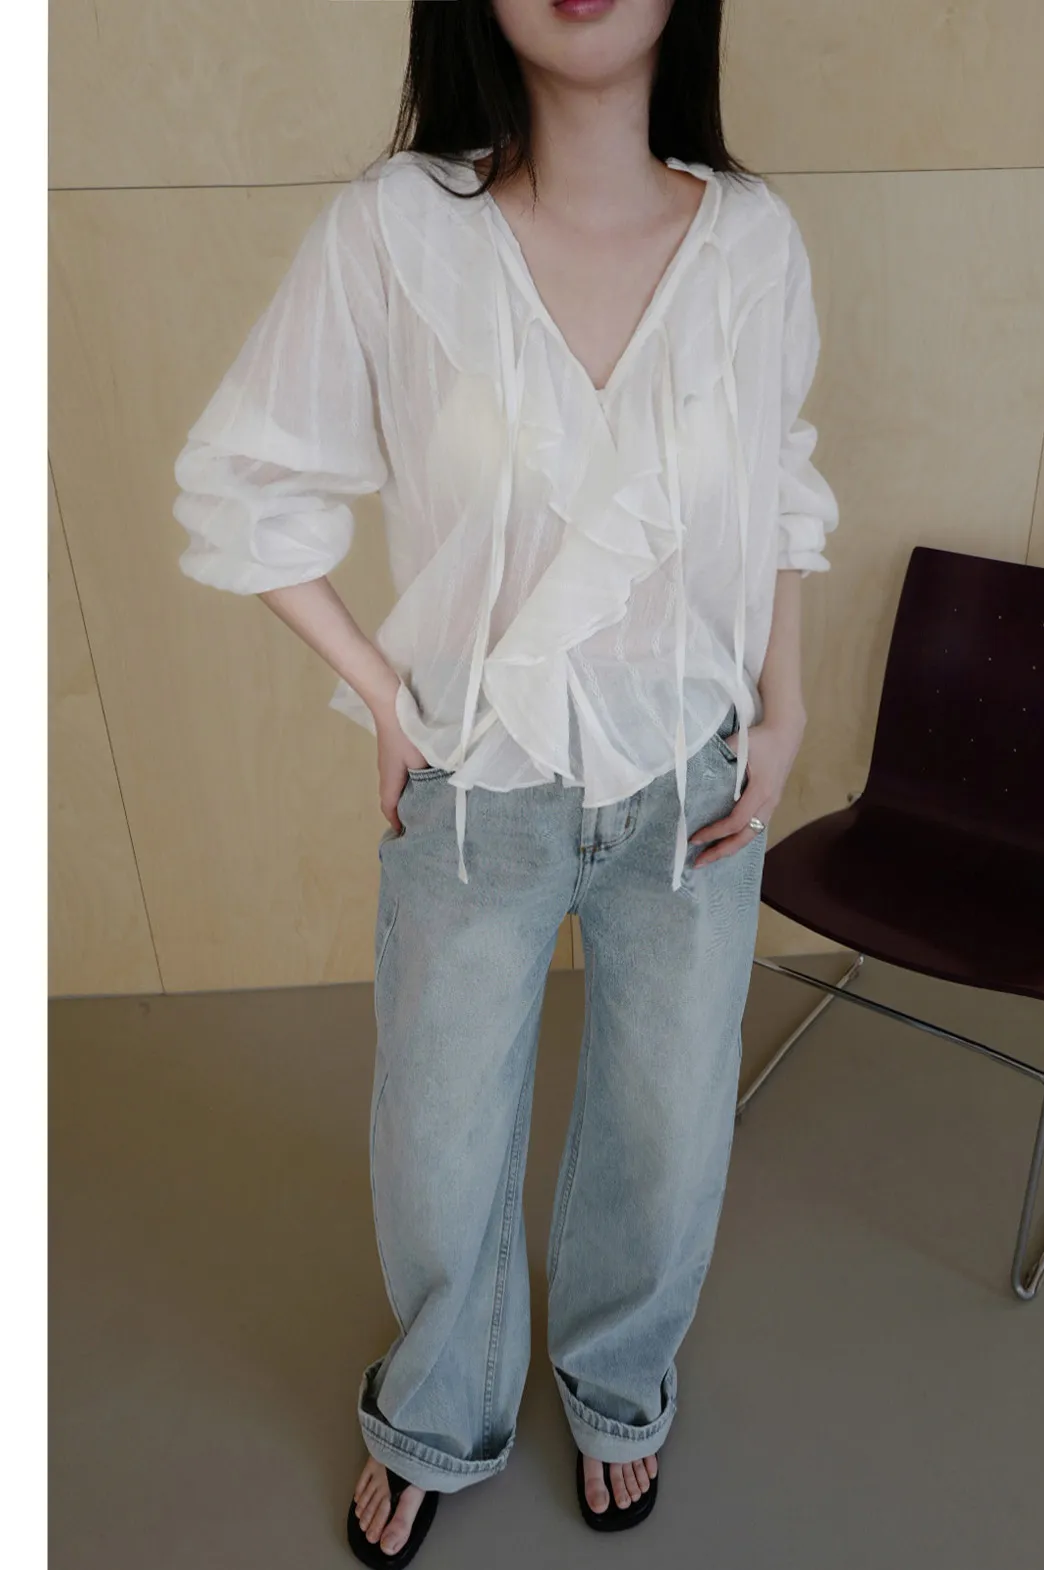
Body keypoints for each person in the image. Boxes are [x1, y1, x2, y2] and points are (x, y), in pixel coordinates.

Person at [172, 1, 839, 1561]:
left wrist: (785, 698)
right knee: (437, 1143)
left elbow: (778, 475)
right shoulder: (397, 231)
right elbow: (244, 478)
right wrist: (381, 690)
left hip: (692, 769)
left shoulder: (752, 242)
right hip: (480, 778)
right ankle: (434, 1406)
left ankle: (618, 1381)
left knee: (668, 1128)